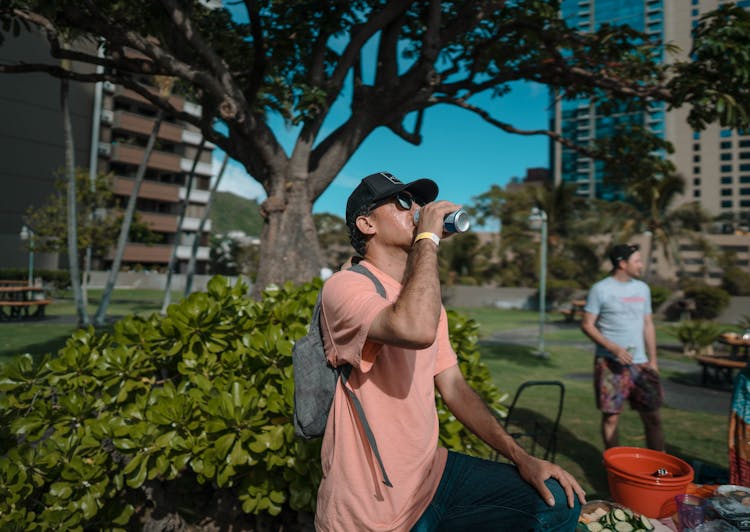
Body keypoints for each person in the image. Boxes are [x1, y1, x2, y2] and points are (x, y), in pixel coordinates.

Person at [315, 171, 585, 531]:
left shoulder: (425, 300)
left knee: (557, 501)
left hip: (433, 476)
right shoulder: (345, 287)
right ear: (366, 224)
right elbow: (413, 328)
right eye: (402, 202)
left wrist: (522, 457)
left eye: (418, 202)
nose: (416, 209)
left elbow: (454, 386)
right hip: (372, 509)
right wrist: (427, 237)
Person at [581, 243, 665, 452]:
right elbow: (587, 325)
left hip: (641, 364)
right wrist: (614, 348)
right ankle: (613, 468)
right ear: (622, 263)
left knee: (653, 417)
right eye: (637, 260)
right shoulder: (600, 289)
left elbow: (648, 324)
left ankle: (662, 472)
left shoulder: (642, 288)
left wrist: (653, 360)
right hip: (610, 363)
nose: (641, 265)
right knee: (611, 418)